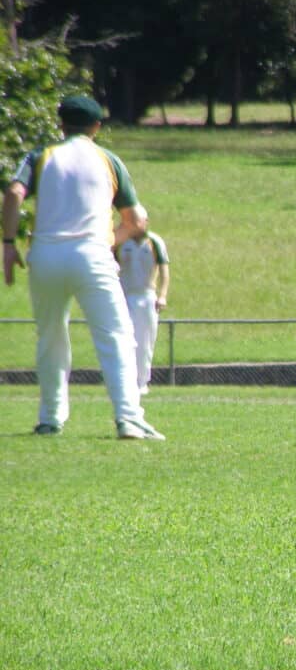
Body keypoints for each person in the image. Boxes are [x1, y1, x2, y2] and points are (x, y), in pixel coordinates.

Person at [1, 95, 165, 439]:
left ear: (61, 124)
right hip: (92, 255)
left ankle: (50, 417)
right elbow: (135, 219)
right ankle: (128, 418)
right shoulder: (108, 159)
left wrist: (8, 244)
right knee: (116, 335)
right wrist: (108, 240)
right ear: (97, 127)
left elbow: (14, 194)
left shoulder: (41, 156)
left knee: (50, 335)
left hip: (45, 254)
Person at [116, 229, 170, 394]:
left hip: (146, 295)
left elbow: (164, 271)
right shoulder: (120, 240)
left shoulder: (154, 241)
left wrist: (162, 295)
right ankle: (125, 380)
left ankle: (142, 382)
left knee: (145, 341)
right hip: (125, 295)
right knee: (124, 339)